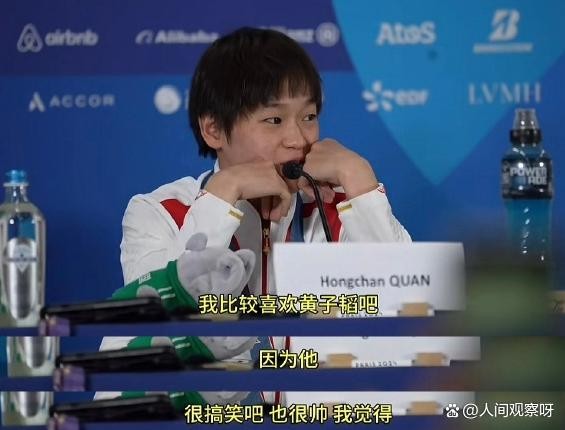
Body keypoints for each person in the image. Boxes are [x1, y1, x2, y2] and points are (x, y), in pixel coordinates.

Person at [100, 27, 411, 403]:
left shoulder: (344, 207)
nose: (298, 140)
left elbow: (410, 326)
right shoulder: (160, 212)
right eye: (274, 120)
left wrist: (358, 177)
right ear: (214, 129)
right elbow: (162, 333)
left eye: (309, 116)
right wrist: (223, 194)